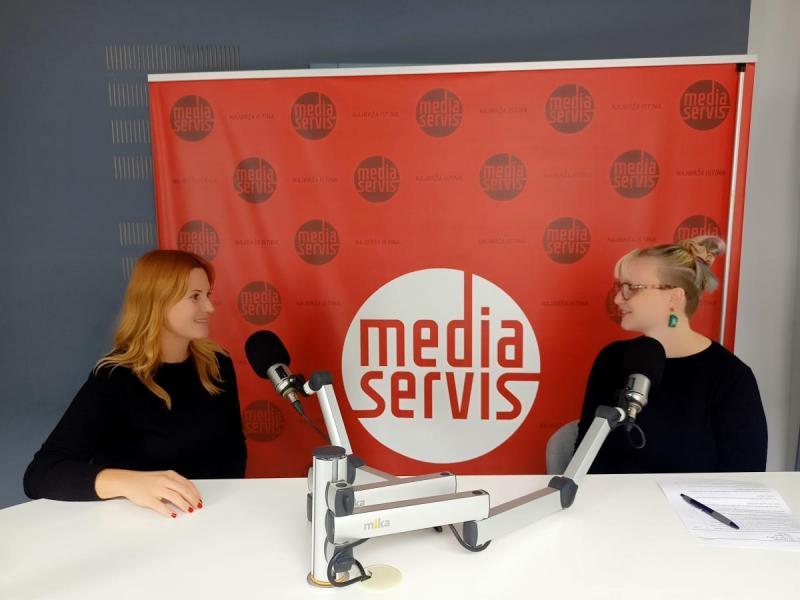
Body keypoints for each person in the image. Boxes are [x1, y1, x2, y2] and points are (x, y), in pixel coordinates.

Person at [23, 250, 247, 517]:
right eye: (195, 297)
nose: (209, 307)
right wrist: (130, 483)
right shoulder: (114, 377)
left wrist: (219, 509)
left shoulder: (217, 364)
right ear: (157, 301)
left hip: (210, 518)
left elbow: (234, 448)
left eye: (207, 295)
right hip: (138, 523)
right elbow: (40, 474)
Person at [574, 236, 767, 473]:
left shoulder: (731, 377)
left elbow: (744, 475)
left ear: (674, 297)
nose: (617, 299)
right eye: (619, 287)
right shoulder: (611, 359)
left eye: (631, 288)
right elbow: (585, 456)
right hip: (610, 498)